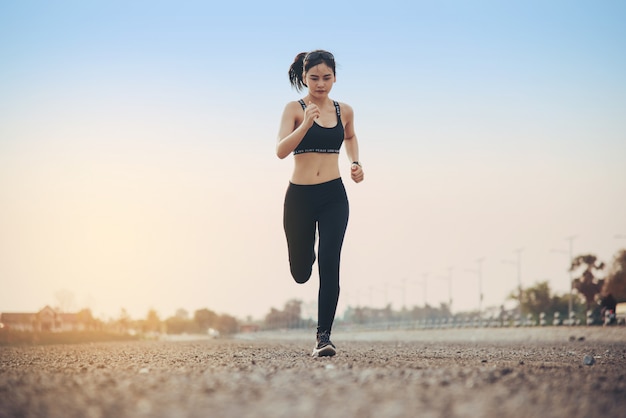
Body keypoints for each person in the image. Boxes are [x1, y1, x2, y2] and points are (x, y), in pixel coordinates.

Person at [276, 50, 364, 357]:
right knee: (301, 271)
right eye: (314, 78)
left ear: (335, 77)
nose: (321, 84)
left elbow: (350, 137)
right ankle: (304, 257)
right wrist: (304, 125)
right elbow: (280, 151)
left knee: (330, 261)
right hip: (299, 197)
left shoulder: (345, 111)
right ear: (304, 78)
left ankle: (323, 337)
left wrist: (356, 162)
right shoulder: (294, 109)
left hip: (333, 196)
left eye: (327, 77)